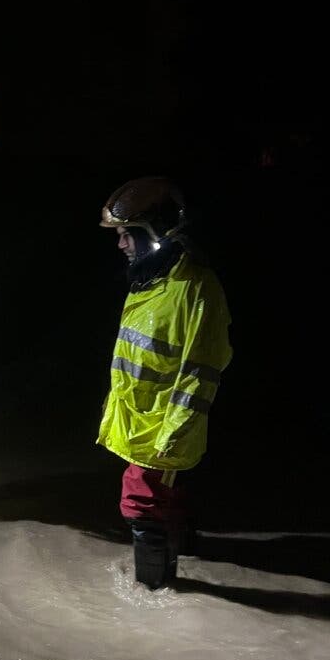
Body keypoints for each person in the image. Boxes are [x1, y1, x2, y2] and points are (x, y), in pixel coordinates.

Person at [97, 176, 232, 590]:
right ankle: (175, 578)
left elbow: (201, 371)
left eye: (126, 235)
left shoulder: (194, 288)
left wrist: (174, 432)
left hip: (164, 429)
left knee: (140, 504)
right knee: (165, 505)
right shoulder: (153, 282)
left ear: (152, 232)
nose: (121, 245)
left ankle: (151, 597)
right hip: (143, 422)